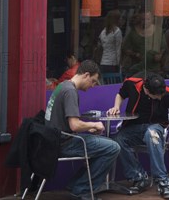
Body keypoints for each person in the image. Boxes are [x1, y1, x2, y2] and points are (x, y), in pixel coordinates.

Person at [45, 60, 120, 200]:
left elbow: (67, 124)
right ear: (86, 75)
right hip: (64, 143)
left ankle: (77, 185)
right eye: (93, 81)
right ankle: (81, 189)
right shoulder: (70, 91)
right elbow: (74, 125)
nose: (93, 85)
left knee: (103, 145)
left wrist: (88, 127)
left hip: (54, 140)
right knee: (113, 147)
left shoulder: (62, 86)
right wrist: (94, 125)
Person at [108, 73, 169, 199]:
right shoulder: (132, 84)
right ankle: (139, 177)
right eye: (156, 95)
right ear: (146, 89)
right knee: (117, 140)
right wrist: (116, 107)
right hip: (134, 127)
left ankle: (163, 182)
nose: (160, 98)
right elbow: (120, 95)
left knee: (152, 134)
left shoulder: (168, 93)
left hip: (156, 126)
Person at [121, 11, 166, 76]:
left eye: (148, 19)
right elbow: (125, 48)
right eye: (143, 19)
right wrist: (135, 54)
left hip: (154, 69)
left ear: (152, 19)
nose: (145, 22)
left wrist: (160, 55)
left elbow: (163, 47)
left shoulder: (158, 31)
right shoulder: (133, 32)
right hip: (137, 69)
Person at [98, 9, 122, 73]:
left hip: (103, 62)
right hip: (112, 63)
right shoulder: (117, 31)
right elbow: (118, 49)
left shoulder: (103, 31)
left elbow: (100, 45)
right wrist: (119, 64)